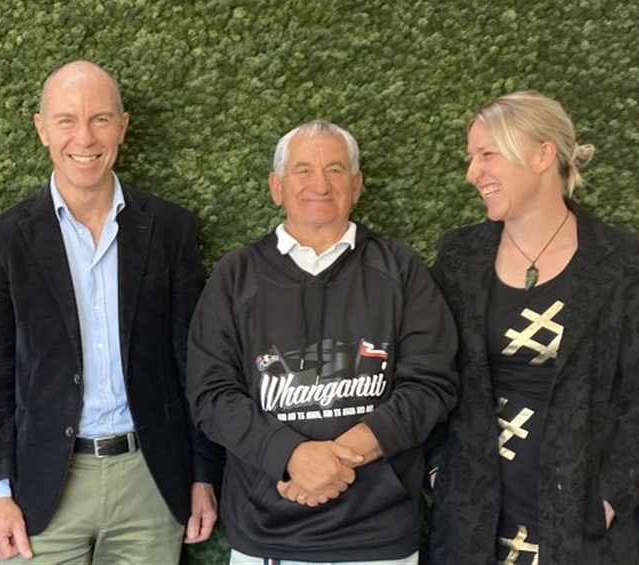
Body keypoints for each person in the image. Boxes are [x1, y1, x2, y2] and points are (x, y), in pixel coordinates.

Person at [0, 60, 221, 563]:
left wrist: (203, 472)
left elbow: (195, 363)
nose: (84, 137)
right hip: (40, 490)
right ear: (41, 128)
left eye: (100, 119)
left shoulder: (170, 231)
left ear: (123, 126)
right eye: (66, 120)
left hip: (150, 483)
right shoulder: (0, 240)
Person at [187, 120, 458, 565]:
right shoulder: (236, 276)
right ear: (276, 187)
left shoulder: (401, 269)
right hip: (267, 535)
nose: (319, 184)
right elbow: (210, 394)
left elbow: (432, 384)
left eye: (335, 170)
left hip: (379, 537)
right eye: (302, 171)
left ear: (356, 185)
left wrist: (335, 459)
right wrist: (290, 454)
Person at [425, 91, 639, 564]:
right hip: (473, 521)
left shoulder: (624, 263)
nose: (472, 172)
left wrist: (610, 497)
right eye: (471, 157)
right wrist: (439, 471)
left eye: (487, 155)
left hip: (582, 528)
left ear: (542, 155)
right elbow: (430, 371)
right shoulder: (460, 257)